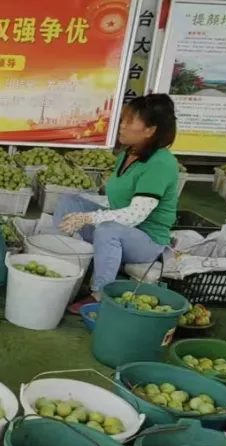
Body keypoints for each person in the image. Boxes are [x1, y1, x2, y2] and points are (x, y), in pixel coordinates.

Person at [51, 94, 181, 310]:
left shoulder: (161, 163)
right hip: (122, 231)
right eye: (123, 120)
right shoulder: (128, 154)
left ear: (150, 130)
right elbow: (115, 204)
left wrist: (89, 218)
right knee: (70, 202)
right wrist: (84, 215)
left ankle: (100, 294)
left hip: (147, 242)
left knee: (107, 229)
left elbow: (135, 214)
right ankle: (59, 262)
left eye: (130, 121)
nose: (122, 126)